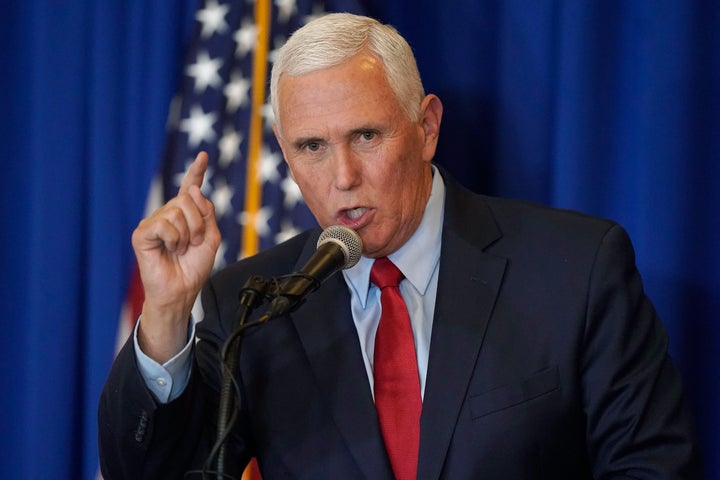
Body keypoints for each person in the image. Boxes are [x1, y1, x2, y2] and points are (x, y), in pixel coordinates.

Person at [98, 13, 702, 480]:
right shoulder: (252, 306)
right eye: (311, 147)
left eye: (366, 135)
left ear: (426, 127)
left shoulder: (576, 270)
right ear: (285, 154)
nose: (342, 177)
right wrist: (167, 316)